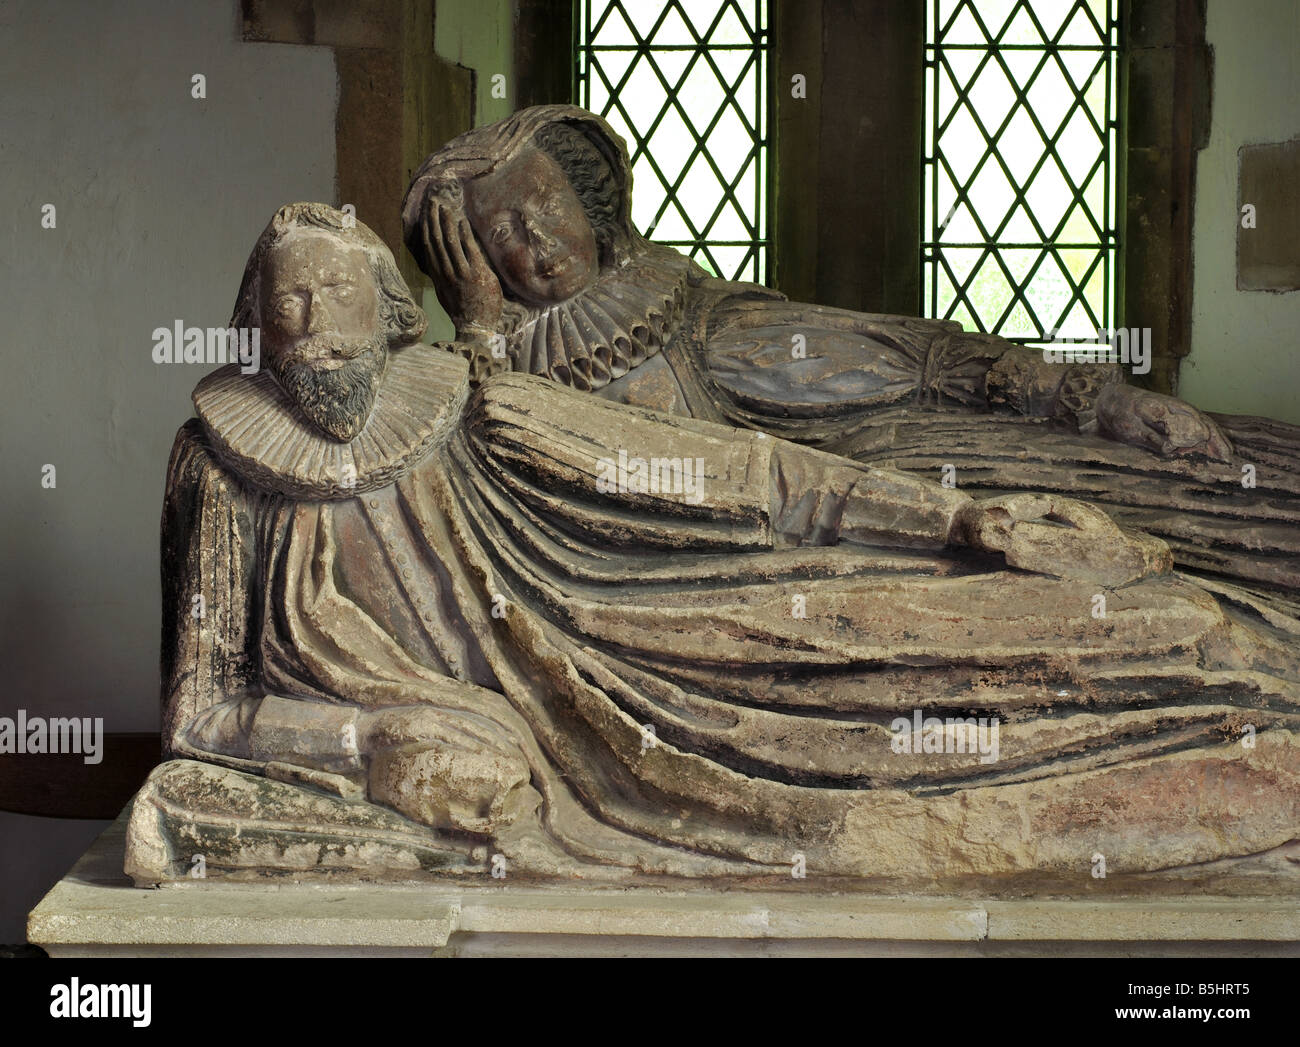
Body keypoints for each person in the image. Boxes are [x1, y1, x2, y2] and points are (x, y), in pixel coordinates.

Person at [127, 203, 1300, 886]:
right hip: (530, 741)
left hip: (675, 622)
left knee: (1053, 623)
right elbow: (204, 713)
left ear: (390, 314)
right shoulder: (219, 466)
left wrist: (950, 517)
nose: (311, 331)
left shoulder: (475, 407)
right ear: (250, 326)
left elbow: (735, 474)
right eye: (284, 307)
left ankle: (1221, 690)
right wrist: (366, 732)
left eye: (334, 300)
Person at [402, 105, 1300, 611]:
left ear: (591, 199)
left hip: (899, 481)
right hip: (712, 581)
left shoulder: (688, 321)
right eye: (499, 235)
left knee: (1190, 508)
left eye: (546, 205)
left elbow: (904, 359)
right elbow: (492, 476)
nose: (538, 242)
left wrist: (1088, 397)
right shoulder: (485, 375)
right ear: (475, 265)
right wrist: (481, 326)